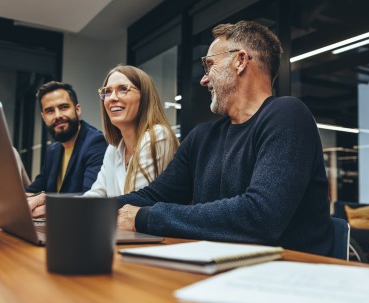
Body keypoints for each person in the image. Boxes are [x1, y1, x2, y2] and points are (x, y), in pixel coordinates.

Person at [114, 21, 333, 256]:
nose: (203, 80)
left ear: (240, 61)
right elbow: (153, 196)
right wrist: (92, 209)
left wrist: (146, 217)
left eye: (209, 65)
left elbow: (259, 217)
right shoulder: (201, 137)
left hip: (289, 276)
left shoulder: (288, 115)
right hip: (222, 268)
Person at [28, 65, 179, 217]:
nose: (112, 97)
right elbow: (95, 194)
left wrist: (57, 208)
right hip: (119, 232)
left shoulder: (158, 135)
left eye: (123, 89)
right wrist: (51, 205)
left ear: (144, 96)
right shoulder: (114, 148)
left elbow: (135, 204)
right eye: (107, 91)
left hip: (153, 238)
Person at [25, 81, 107, 194]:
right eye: (50, 111)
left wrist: (45, 201)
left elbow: (90, 197)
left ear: (77, 110)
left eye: (64, 107)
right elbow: (33, 190)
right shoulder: (52, 150)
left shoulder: (96, 142)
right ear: (43, 117)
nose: (57, 115)